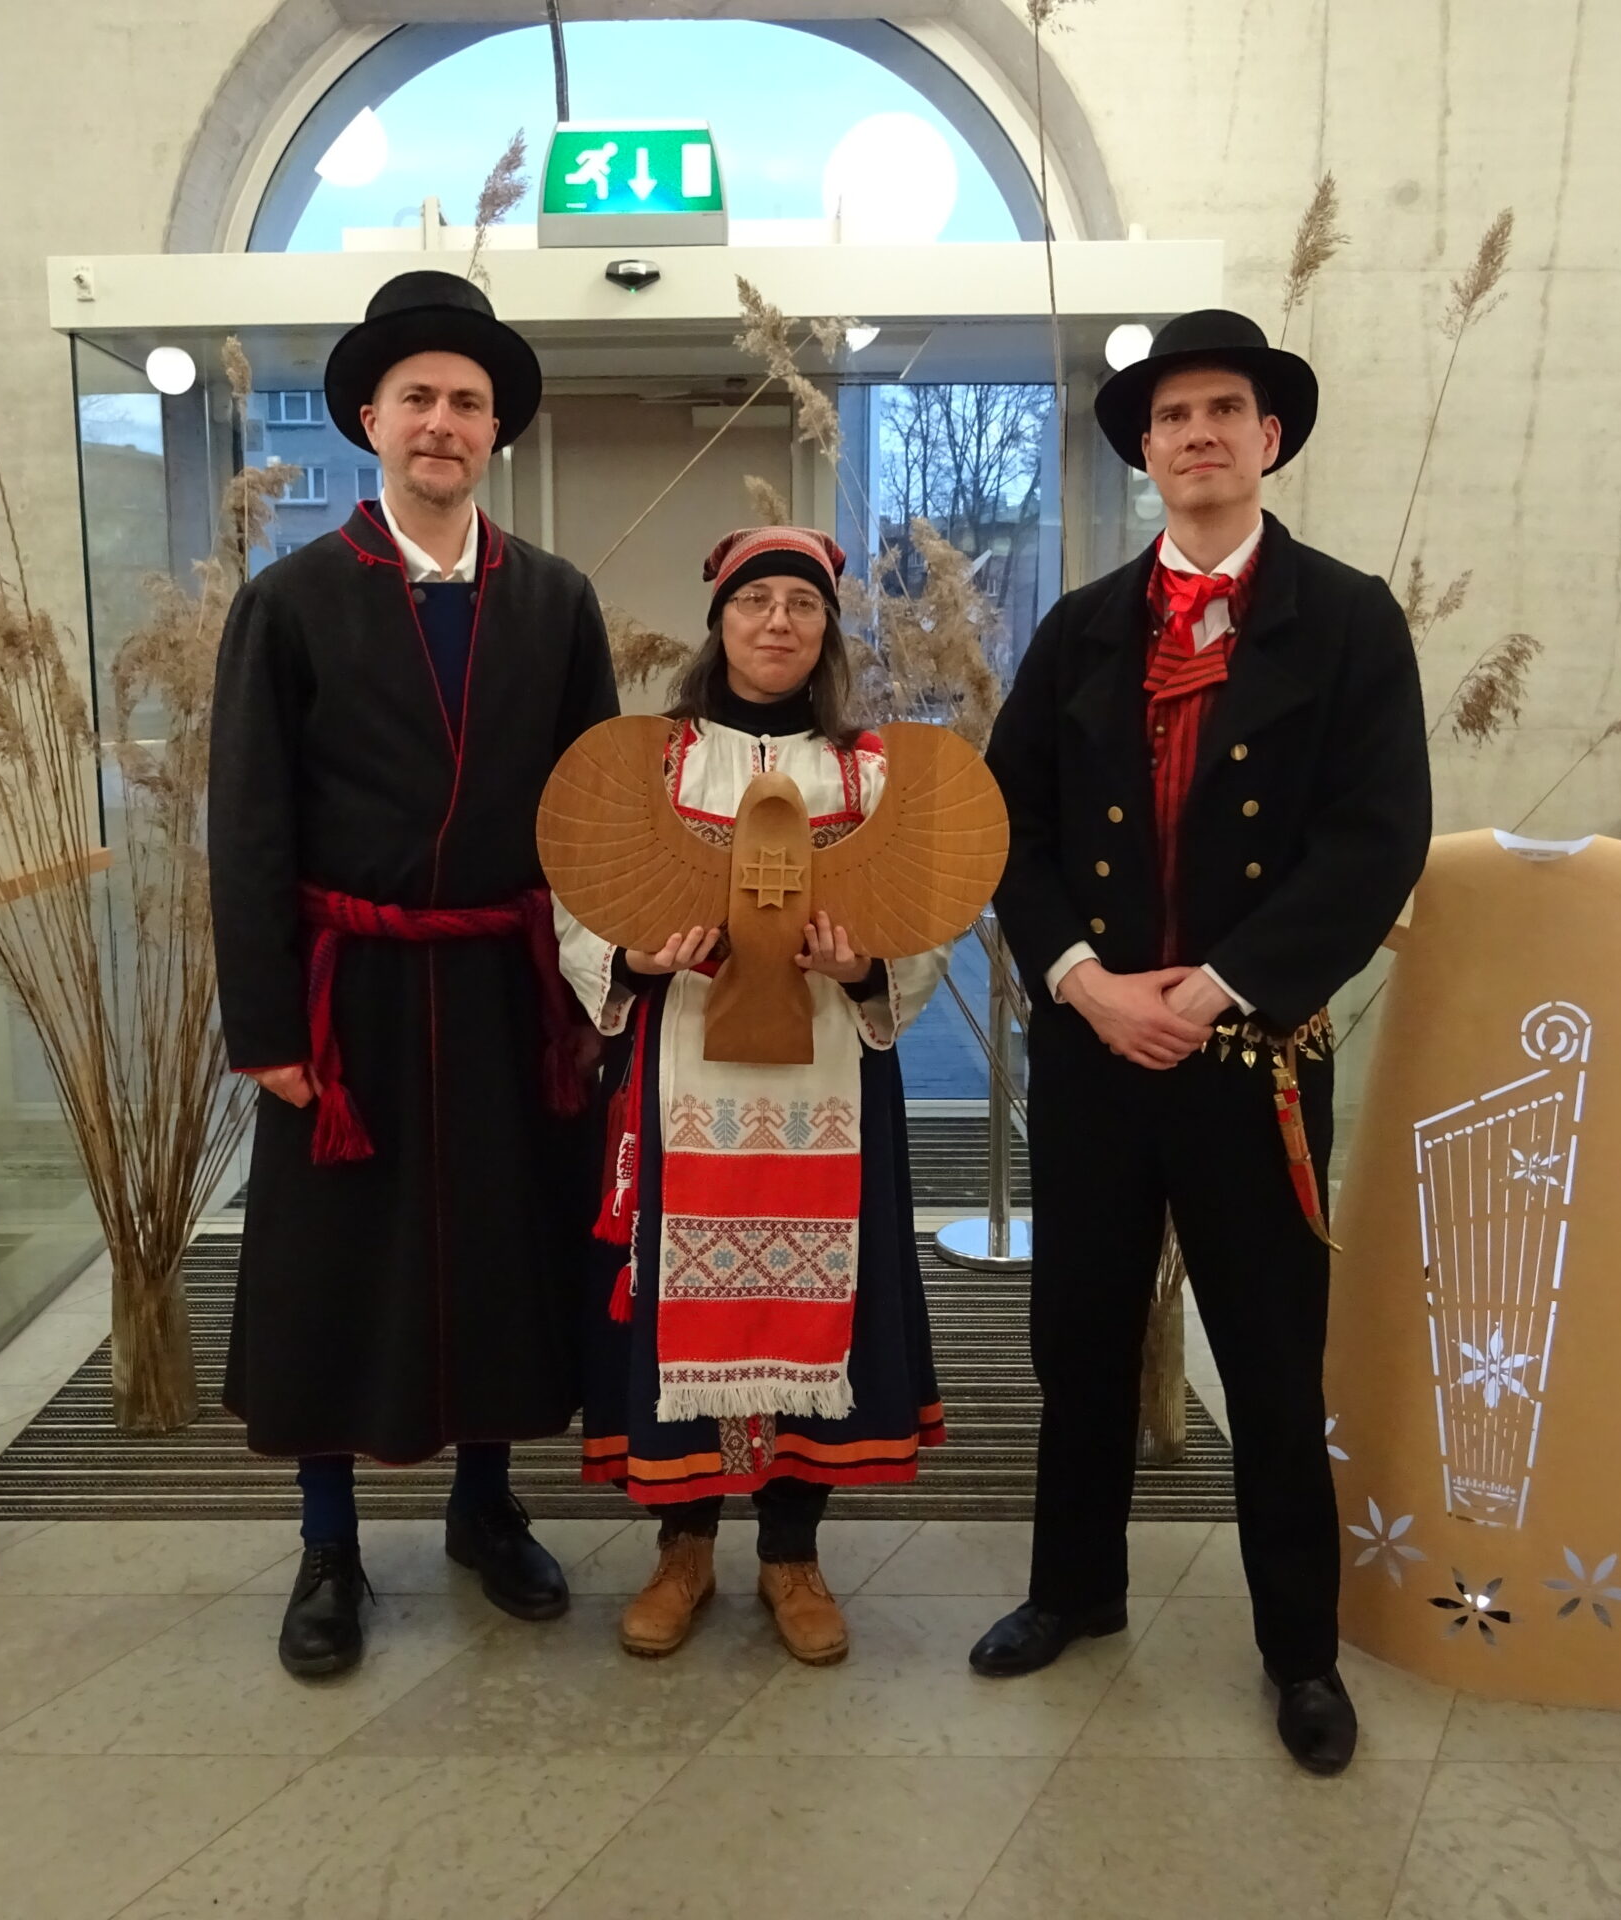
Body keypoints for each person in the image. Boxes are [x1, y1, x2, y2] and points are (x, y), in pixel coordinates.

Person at [973, 310, 1430, 1773]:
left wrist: (1220, 986)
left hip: (1253, 1058)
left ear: (1268, 436)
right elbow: (1008, 825)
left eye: (1225, 409)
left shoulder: (1346, 619)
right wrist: (1083, 980)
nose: (1199, 435)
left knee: (1272, 1360)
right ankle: (1074, 1590)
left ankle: (1300, 1651)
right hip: (1097, 1051)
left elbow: (1375, 841)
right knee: (1078, 1339)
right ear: (1148, 452)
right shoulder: (1083, 625)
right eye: (1173, 417)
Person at [208, 269, 619, 1678]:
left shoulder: (555, 601)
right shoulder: (291, 602)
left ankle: (485, 1505)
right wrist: (266, 1022)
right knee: (334, 1269)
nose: (442, 422)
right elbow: (247, 823)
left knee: (503, 1249)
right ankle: (328, 1543)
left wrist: (595, 994)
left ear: (496, 430)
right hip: (349, 995)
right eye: (417, 398)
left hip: (507, 987)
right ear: (370, 420)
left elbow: (594, 817)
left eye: (467, 401)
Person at [559, 526, 951, 1667]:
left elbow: (921, 915)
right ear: (718, 620)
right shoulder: (652, 764)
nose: (778, 621)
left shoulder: (869, 772)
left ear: (827, 629)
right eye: (755, 601)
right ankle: (682, 1550)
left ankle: (792, 1554)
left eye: (802, 604)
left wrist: (867, 965)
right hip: (684, 1073)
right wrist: (632, 956)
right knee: (677, 1299)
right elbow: (582, 898)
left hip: (829, 1083)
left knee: (817, 1304)